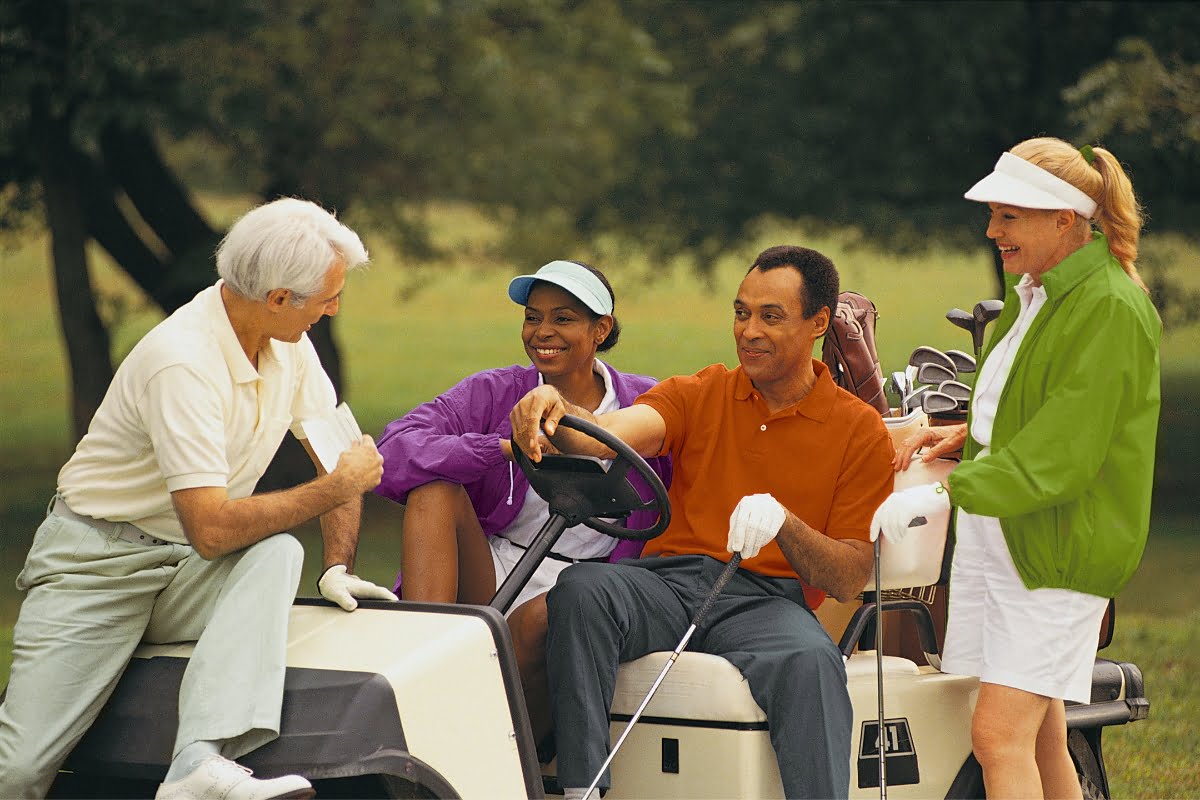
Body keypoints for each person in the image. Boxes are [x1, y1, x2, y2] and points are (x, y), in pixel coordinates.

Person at [0, 198, 399, 800]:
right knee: (21, 771)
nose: (334, 308)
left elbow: (336, 455)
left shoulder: (288, 343)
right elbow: (212, 530)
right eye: (327, 297)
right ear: (278, 297)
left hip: (186, 567)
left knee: (277, 554)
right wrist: (337, 486)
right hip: (95, 566)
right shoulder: (181, 361)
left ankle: (197, 764)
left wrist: (338, 564)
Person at [510, 245, 896, 799]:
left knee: (811, 660)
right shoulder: (703, 390)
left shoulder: (858, 429)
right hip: (669, 584)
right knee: (583, 587)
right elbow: (603, 434)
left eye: (770, 316)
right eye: (741, 313)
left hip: (765, 600)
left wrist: (783, 523)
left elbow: (848, 577)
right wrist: (553, 407)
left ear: (817, 324)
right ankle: (581, 789)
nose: (749, 331)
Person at [872, 138, 1161, 799]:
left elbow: (1062, 456)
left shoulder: (1110, 307)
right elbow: (1021, 405)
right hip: (1006, 542)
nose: (991, 230)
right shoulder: (1033, 295)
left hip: (1056, 554)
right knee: (1039, 734)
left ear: (1063, 218)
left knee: (997, 737)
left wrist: (944, 499)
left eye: (1008, 216)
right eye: (993, 215)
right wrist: (963, 436)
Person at [373, 259, 671, 743]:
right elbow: (393, 451)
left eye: (563, 318)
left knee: (542, 616)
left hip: (588, 582)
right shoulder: (496, 391)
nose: (542, 332)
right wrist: (504, 449)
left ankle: (509, 753)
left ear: (602, 329)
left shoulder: (647, 404)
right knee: (434, 490)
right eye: (533, 317)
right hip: (493, 567)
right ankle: (421, 680)